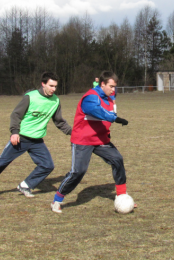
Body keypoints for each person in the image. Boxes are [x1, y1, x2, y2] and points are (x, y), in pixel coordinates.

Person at [51, 71, 134, 213]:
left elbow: (110, 95)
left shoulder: (109, 95)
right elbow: (96, 110)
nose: (114, 90)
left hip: (101, 139)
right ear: (103, 84)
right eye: (111, 86)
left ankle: (122, 196)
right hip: (83, 140)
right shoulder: (90, 97)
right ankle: (57, 199)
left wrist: (102, 86)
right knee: (78, 172)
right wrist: (115, 118)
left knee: (117, 159)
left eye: (115, 87)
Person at [0, 72, 72, 197]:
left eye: (55, 86)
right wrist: (15, 132)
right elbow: (16, 115)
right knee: (1, 163)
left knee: (47, 165)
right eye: (51, 86)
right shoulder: (30, 97)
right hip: (21, 138)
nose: (53, 89)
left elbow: (59, 122)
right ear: (43, 84)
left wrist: (73, 133)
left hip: (37, 141)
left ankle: (25, 185)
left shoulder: (55, 101)